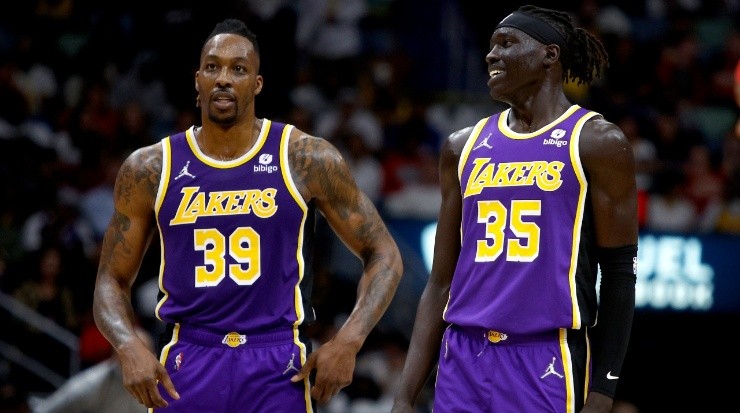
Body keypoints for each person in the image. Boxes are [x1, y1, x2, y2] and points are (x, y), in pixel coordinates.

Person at [92, 18, 403, 412]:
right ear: (197, 80)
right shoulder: (150, 167)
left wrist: (349, 340)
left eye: (238, 69)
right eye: (212, 67)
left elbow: (384, 254)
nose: (223, 78)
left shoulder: (305, 158)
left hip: (277, 362)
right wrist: (127, 344)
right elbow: (110, 280)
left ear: (257, 83)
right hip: (189, 357)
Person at [392, 5, 638, 413]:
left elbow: (618, 274)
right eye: (490, 46)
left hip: (544, 357)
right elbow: (439, 283)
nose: (491, 55)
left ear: (549, 55)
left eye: (506, 44)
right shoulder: (461, 146)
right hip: (462, 355)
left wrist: (603, 390)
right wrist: (405, 396)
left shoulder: (597, 142)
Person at [32, 327, 153, 413]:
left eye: (142, 356)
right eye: (129, 356)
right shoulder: (95, 381)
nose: (136, 362)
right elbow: (49, 408)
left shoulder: (164, 380)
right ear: (114, 357)